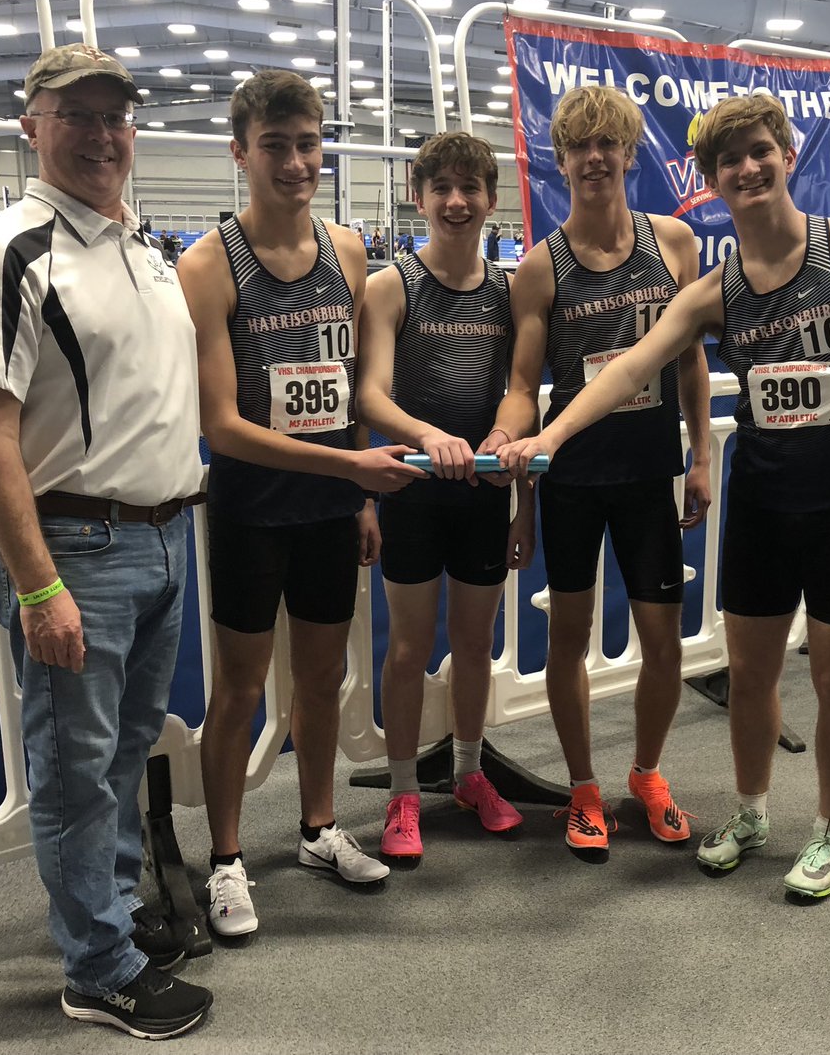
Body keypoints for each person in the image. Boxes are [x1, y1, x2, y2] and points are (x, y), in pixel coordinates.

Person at [498, 93, 830, 899]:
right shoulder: (713, 292)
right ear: (713, 179)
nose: (748, 168)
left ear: (787, 156)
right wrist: (549, 436)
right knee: (750, 675)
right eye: (730, 161)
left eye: (761, 151)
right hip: (761, 505)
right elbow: (633, 365)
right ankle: (752, 811)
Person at [0, 44, 214, 1038]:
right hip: (78, 550)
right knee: (73, 766)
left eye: (116, 116)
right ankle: (97, 967)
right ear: (32, 126)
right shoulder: (4, 253)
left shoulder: (142, 249)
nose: (102, 135)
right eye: (78, 115)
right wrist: (36, 585)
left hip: (163, 539)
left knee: (124, 752)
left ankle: (113, 914)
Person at [176, 69, 426, 939]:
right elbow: (221, 425)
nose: (294, 162)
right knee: (240, 689)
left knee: (322, 678)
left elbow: (350, 392)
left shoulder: (348, 251)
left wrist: (357, 495)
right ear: (240, 153)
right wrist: (350, 469)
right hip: (252, 510)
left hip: (328, 510)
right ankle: (226, 858)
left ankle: (319, 829)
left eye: (308, 144)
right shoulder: (207, 265)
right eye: (275, 145)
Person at [481, 85, 711, 858]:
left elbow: (691, 359)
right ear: (560, 161)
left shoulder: (674, 243)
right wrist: (518, 482)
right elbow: (523, 386)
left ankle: (646, 774)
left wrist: (702, 453)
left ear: (629, 153)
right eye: (579, 145)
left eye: (607, 143)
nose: (594, 157)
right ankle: (583, 787)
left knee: (664, 641)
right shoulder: (539, 268)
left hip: (649, 475)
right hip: (574, 480)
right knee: (568, 638)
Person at [358, 131, 534, 860]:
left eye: (470, 188)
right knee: (407, 648)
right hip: (414, 492)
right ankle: (403, 792)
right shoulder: (391, 285)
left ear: (492, 200)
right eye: (442, 188)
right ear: (418, 197)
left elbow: (522, 391)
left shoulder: (510, 290)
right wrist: (429, 435)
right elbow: (370, 394)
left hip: (484, 493)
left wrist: (505, 447)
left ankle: (467, 773)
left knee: (474, 643)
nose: (456, 202)